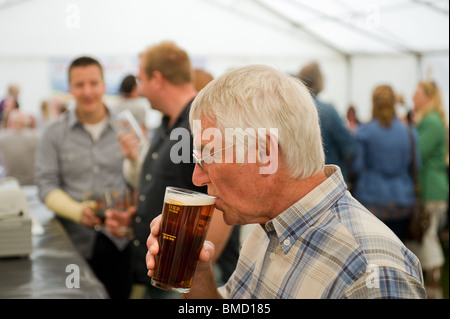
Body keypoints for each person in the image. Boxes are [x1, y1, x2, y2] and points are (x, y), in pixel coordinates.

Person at [145, 64, 426, 299]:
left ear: (265, 153)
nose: (197, 175)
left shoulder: (371, 276)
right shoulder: (268, 224)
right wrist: (197, 273)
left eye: (207, 155)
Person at [117, 41, 239, 298]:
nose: (139, 89)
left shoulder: (201, 126)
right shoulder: (166, 125)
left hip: (183, 278)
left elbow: (225, 198)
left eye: (141, 79)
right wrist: (138, 217)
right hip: (163, 273)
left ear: (157, 79)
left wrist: (192, 271)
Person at [35, 56, 134, 299]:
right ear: (70, 88)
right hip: (72, 245)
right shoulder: (53, 133)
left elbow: (141, 181)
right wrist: (76, 211)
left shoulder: (127, 127)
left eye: (94, 83)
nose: (87, 91)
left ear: (103, 84)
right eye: (80, 85)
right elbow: (46, 184)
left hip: (119, 241)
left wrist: (135, 160)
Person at [351, 85, 420, 242]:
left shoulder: (364, 132)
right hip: (403, 202)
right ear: (394, 103)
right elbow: (417, 166)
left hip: (372, 202)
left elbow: (357, 167)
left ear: (373, 103)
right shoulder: (409, 132)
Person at [406, 81, 449, 299]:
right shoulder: (429, 120)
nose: (413, 97)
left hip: (431, 189)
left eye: (417, 93)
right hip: (430, 188)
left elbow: (418, 153)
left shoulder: (431, 122)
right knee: (424, 238)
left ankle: (435, 288)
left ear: (428, 97)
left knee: (429, 237)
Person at [298, 62, 356, 183]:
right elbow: (348, 149)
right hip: (327, 180)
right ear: (319, 81)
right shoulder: (328, 111)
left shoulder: (291, 110)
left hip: (300, 179)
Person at [0, 110, 39, 185]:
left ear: (10, 122)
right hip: (32, 183)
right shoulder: (36, 137)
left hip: (9, 184)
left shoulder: (2, 137)